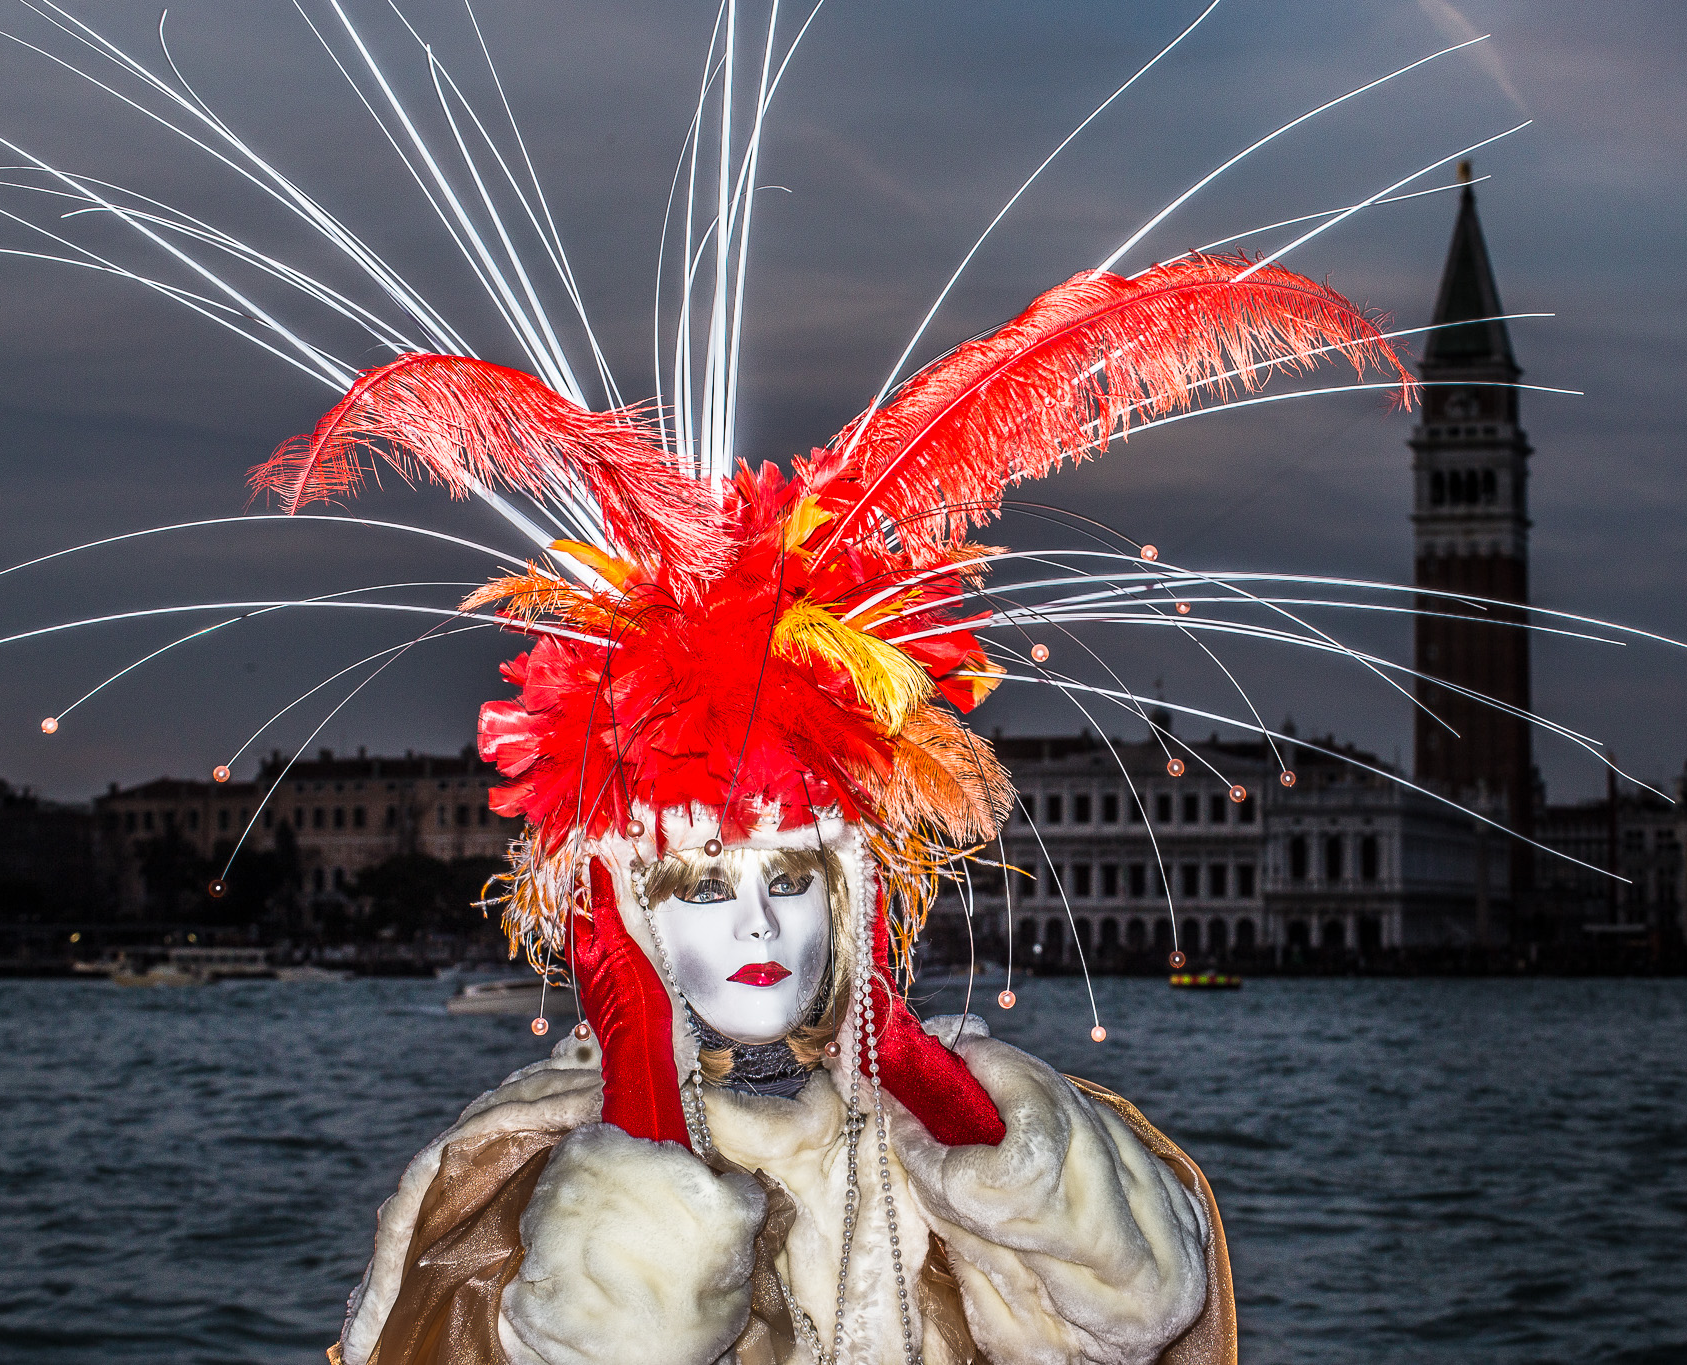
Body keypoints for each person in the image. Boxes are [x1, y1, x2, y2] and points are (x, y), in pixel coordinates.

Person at [275, 239, 1405, 1365]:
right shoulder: (504, 1181)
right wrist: (643, 1116)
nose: (758, 928)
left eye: (789, 880)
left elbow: (1142, 1313)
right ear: (623, 918)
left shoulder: (935, 1141)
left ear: (853, 900)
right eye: (702, 889)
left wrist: (951, 1105)